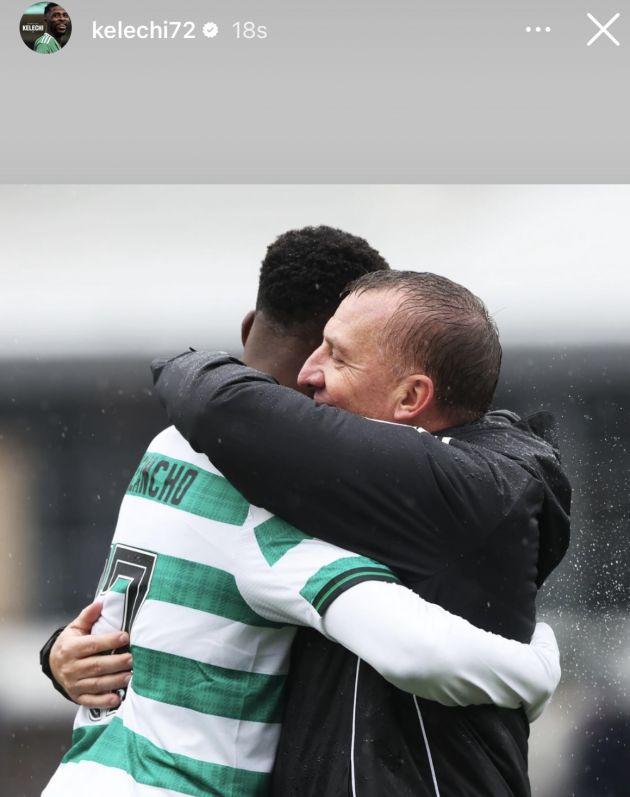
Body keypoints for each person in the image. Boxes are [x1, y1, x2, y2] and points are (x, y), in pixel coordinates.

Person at [41, 231, 561, 797]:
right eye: (320, 349)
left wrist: (58, 654)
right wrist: (537, 669)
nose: (311, 379)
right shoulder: (267, 491)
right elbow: (420, 652)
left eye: (338, 357)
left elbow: (135, 616)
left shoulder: (169, 446)